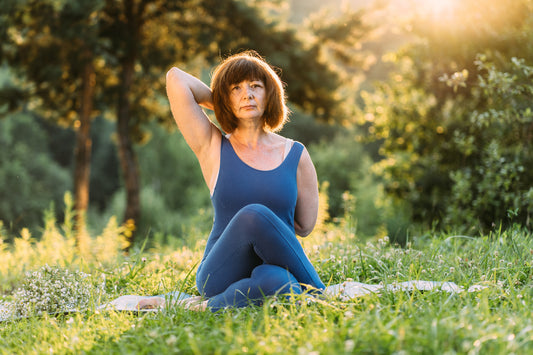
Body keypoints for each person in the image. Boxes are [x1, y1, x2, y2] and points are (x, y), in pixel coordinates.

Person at [138, 50, 325, 312]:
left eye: (255, 87)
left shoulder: (296, 154)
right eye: (236, 88)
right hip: (220, 272)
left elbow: (304, 227)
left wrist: (239, 101)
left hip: (270, 266)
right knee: (254, 215)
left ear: (270, 94)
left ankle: (198, 307)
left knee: (276, 280)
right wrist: (227, 105)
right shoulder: (212, 146)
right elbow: (176, 78)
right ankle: (321, 293)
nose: (247, 94)